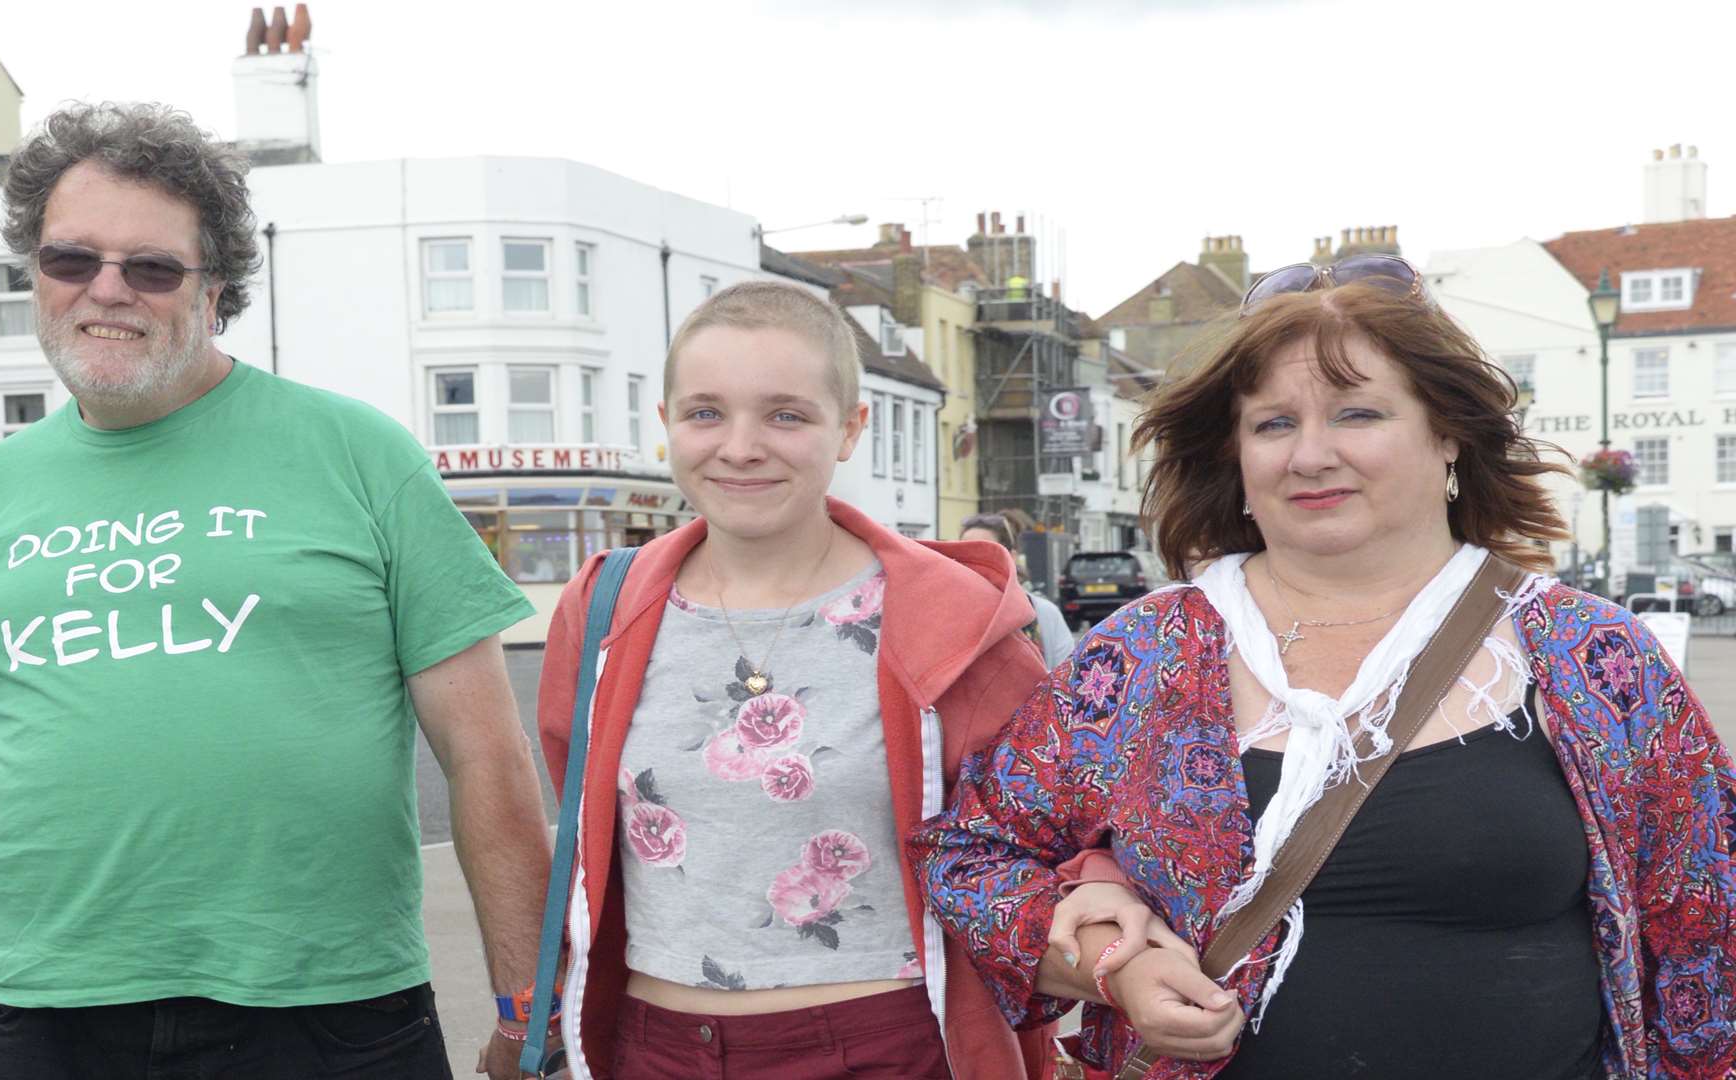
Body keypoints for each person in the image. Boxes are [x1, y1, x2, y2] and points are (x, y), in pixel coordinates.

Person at [911, 262, 1736, 1078]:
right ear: (1233, 455)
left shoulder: (1588, 651)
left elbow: (1705, 927)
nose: (1311, 455)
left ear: (1446, 432)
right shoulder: (1143, 652)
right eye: (1272, 424)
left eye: (1358, 413)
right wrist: (1111, 962)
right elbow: (972, 856)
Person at [0, 103, 552, 1080]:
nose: (106, 291)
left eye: (153, 267)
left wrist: (529, 1011)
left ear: (217, 291)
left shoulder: (359, 453)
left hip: (328, 1019)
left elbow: (487, 757)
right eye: (71, 260)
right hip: (50, 1024)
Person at [535, 281, 1167, 1079]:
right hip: (655, 1049)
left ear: (850, 429)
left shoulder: (956, 619)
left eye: (785, 415)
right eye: (705, 412)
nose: (740, 445)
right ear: (665, 425)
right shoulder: (603, 607)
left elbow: (1069, 826)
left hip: (883, 1045)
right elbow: (585, 832)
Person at [958, 512, 1076, 668]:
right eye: (963, 552)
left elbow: (1066, 679)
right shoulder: (952, 615)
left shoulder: (1044, 614)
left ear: (1011, 557)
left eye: (984, 551)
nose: (972, 561)